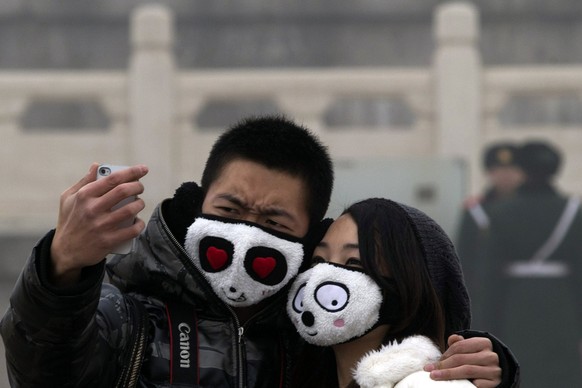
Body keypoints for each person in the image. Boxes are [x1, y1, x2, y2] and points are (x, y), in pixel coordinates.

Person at [1, 115, 518, 387]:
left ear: (304, 238)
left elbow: (399, 340)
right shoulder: (129, 307)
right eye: (228, 211)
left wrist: (488, 369)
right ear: (199, 205)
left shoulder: (313, 331)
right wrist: (63, 266)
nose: (245, 235)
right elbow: (42, 367)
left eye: (272, 222)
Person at [287, 198, 507, 387]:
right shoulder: (294, 370)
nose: (321, 277)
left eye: (353, 263)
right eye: (318, 261)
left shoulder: (426, 382)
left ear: (407, 284)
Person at [481, 140, 582, 388]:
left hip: (516, 306)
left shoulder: (499, 212)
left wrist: (486, 327)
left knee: (520, 370)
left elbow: (489, 277)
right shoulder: (573, 210)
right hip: (562, 306)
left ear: (522, 170)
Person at [455, 142, 523, 328]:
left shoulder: (530, 211)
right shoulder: (476, 211)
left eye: (512, 169)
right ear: (489, 173)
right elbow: (465, 256)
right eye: (498, 170)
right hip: (485, 294)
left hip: (521, 293)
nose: (506, 176)